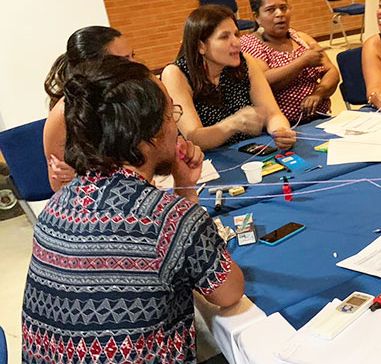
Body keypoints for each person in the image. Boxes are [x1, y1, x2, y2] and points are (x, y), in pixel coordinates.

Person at [22, 56, 245, 363]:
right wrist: (186, 197)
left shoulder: (56, 205)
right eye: (171, 114)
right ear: (150, 134)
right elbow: (229, 292)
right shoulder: (170, 219)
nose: (176, 128)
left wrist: (184, 186)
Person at [161, 5, 295, 151]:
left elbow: (273, 114)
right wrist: (233, 124)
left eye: (236, 34)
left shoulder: (246, 63)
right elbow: (194, 138)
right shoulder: (176, 74)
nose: (236, 43)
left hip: (248, 151)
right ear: (201, 46)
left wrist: (281, 132)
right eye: (224, 37)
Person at [42, 26, 135, 191]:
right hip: (96, 203)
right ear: (92, 66)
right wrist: (78, 178)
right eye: (123, 60)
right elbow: (58, 184)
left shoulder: (136, 95)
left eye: (132, 56)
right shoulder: (63, 113)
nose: (134, 65)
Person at [241, 0, 340, 124]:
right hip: (282, 128)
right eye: (270, 10)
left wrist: (319, 93)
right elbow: (263, 82)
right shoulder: (250, 45)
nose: (279, 14)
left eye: (283, 8)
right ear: (257, 17)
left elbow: (331, 71)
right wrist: (302, 62)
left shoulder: (301, 38)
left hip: (320, 119)